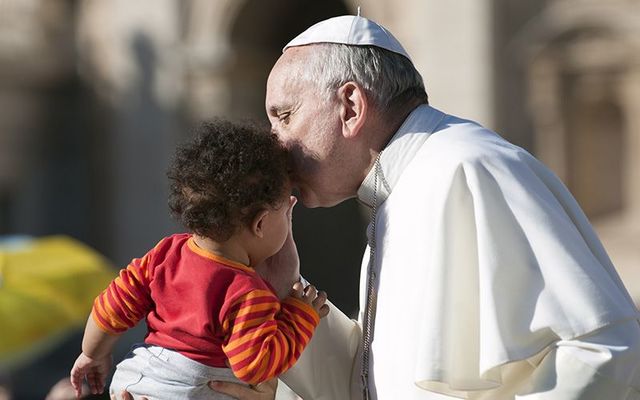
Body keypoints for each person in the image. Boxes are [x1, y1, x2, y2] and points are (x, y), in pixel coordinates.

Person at [210, 14, 640, 400]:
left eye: (284, 116)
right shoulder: (392, 196)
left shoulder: (469, 167)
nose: (274, 145)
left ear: (351, 107)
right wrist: (282, 292)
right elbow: (370, 387)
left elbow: (604, 350)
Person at [70, 119, 328, 399]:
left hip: (134, 376)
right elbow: (254, 367)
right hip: (188, 389)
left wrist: (92, 354)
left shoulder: (166, 253)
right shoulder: (248, 293)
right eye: (286, 212)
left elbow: (112, 305)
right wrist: (298, 316)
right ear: (261, 223)